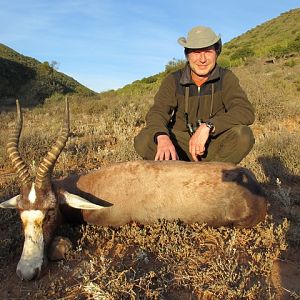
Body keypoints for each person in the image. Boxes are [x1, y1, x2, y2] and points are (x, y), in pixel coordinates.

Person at [134, 26, 255, 164]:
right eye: (196, 52)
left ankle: (212, 177)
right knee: (145, 139)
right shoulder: (173, 79)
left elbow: (245, 111)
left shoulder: (226, 78)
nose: (202, 59)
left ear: (216, 53)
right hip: (180, 147)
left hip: (213, 144)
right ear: (187, 55)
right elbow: (157, 112)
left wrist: (209, 126)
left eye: (208, 52)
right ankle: (178, 176)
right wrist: (162, 137)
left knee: (243, 135)